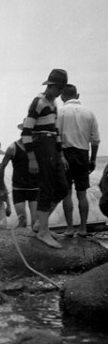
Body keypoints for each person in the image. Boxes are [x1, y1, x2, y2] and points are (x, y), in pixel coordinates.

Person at [21, 69, 69, 249]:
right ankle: (42, 231)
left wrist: (61, 154)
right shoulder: (38, 102)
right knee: (46, 186)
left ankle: (41, 224)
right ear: (51, 85)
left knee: (62, 187)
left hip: (52, 146)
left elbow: (56, 131)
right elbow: (26, 131)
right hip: (40, 143)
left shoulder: (54, 104)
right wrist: (32, 158)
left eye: (62, 88)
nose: (59, 92)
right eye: (58, 88)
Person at [57, 84, 101, 237]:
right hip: (83, 153)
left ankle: (69, 228)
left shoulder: (60, 111)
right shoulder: (89, 113)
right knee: (82, 194)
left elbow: (57, 137)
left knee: (67, 193)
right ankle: (83, 228)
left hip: (65, 153)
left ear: (62, 96)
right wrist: (93, 159)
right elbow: (95, 140)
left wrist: (61, 156)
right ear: (78, 95)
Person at [0, 121, 39, 228]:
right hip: (19, 189)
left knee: (36, 223)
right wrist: (2, 188)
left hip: (35, 188)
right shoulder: (13, 147)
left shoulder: (37, 147)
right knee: (22, 222)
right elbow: (1, 167)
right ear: (23, 132)